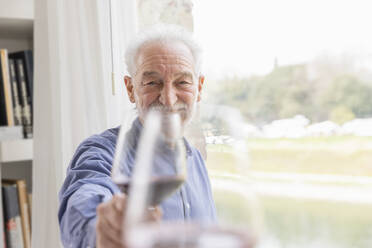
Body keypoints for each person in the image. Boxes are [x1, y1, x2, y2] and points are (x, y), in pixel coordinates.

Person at [58, 25, 216, 248]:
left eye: (182, 82)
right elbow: (82, 203)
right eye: (152, 83)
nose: (169, 99)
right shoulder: (102, 152)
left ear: (198, 88)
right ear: (131, 88)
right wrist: (102, 230)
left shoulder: (195, 158)